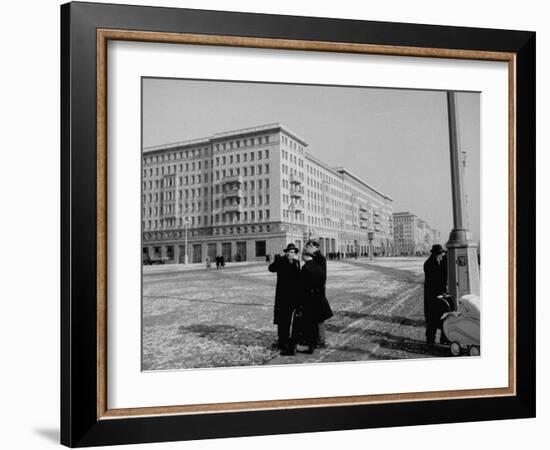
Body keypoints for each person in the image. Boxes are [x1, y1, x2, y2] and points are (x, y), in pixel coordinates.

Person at [268, 243, 301, 355]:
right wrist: (278, 259)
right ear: (286, 252)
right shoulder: (281, 261)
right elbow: (271, 269)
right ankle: (282, 341)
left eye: (293, 252)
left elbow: (298, 278)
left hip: (293, 296)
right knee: (282, 320)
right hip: (282, 296)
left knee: (291, 320)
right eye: (289, 252)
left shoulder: (297, 263)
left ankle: (288, 341)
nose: (291, 254)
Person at [293, 248, 326, 354]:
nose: (302, 257)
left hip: (307, 299)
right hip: (318, 298)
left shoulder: (305, 268)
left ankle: (309, 345)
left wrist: (299, 301)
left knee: (308, 323)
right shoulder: (319, 267)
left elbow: (301, 286)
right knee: (315, 322)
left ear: (307, 256)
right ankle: (315, 343)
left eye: (303, 255)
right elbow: (322, 282)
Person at [304, 239, 333, 347]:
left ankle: (320, 340)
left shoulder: (318, 258)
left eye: (308, 246)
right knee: (316, 316)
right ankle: (317, 339)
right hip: (317, 290)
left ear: (313, 246)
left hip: (317, 291)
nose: (307, 248)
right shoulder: (318, 257)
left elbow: (320, 276)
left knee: (319, 317)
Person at [423, 244, 451, 346]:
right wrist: (441, 292)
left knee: (441, 317)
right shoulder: (430, 264)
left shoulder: (436, 262)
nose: (441, 256)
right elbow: (435, 281)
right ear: (435, 254)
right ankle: (430, 341)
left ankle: (442, 338)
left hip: (437, 295)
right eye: (440, 254)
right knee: (432, 320)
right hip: (432, 296)